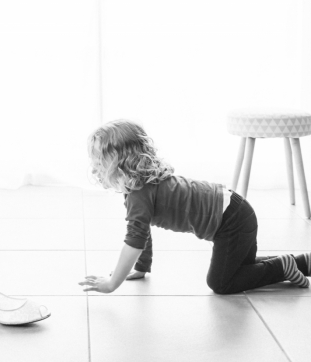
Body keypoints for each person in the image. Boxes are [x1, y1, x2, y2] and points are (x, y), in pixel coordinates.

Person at [79, 119, 311, 294]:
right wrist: (142, 267)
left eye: (99, 160)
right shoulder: (138, 186)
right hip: (237, 210)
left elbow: (134, 241)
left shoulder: (138, 194)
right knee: (242, 267)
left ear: (120, 161)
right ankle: (302, 262)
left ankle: (282, 268)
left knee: (221, 283)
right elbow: (142, 232)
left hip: (231, 222)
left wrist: (112, 284)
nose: (94, 166)